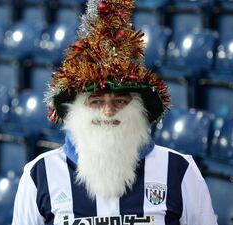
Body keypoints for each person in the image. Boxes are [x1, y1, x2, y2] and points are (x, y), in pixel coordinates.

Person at [12, 0, 218, 224]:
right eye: (96, 101)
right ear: (75, 110)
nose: (108, 111)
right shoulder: (39, 174)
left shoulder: (180, 170)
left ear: (140, 109)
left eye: (120, 100)